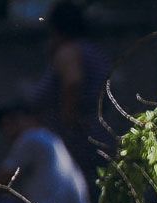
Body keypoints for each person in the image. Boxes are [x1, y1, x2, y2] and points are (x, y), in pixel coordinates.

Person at [28, 0, 114, 191]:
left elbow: (73, 82)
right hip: (95, 132)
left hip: (79, 137)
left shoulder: (69, 52)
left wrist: (68, 124)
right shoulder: (90, 50)